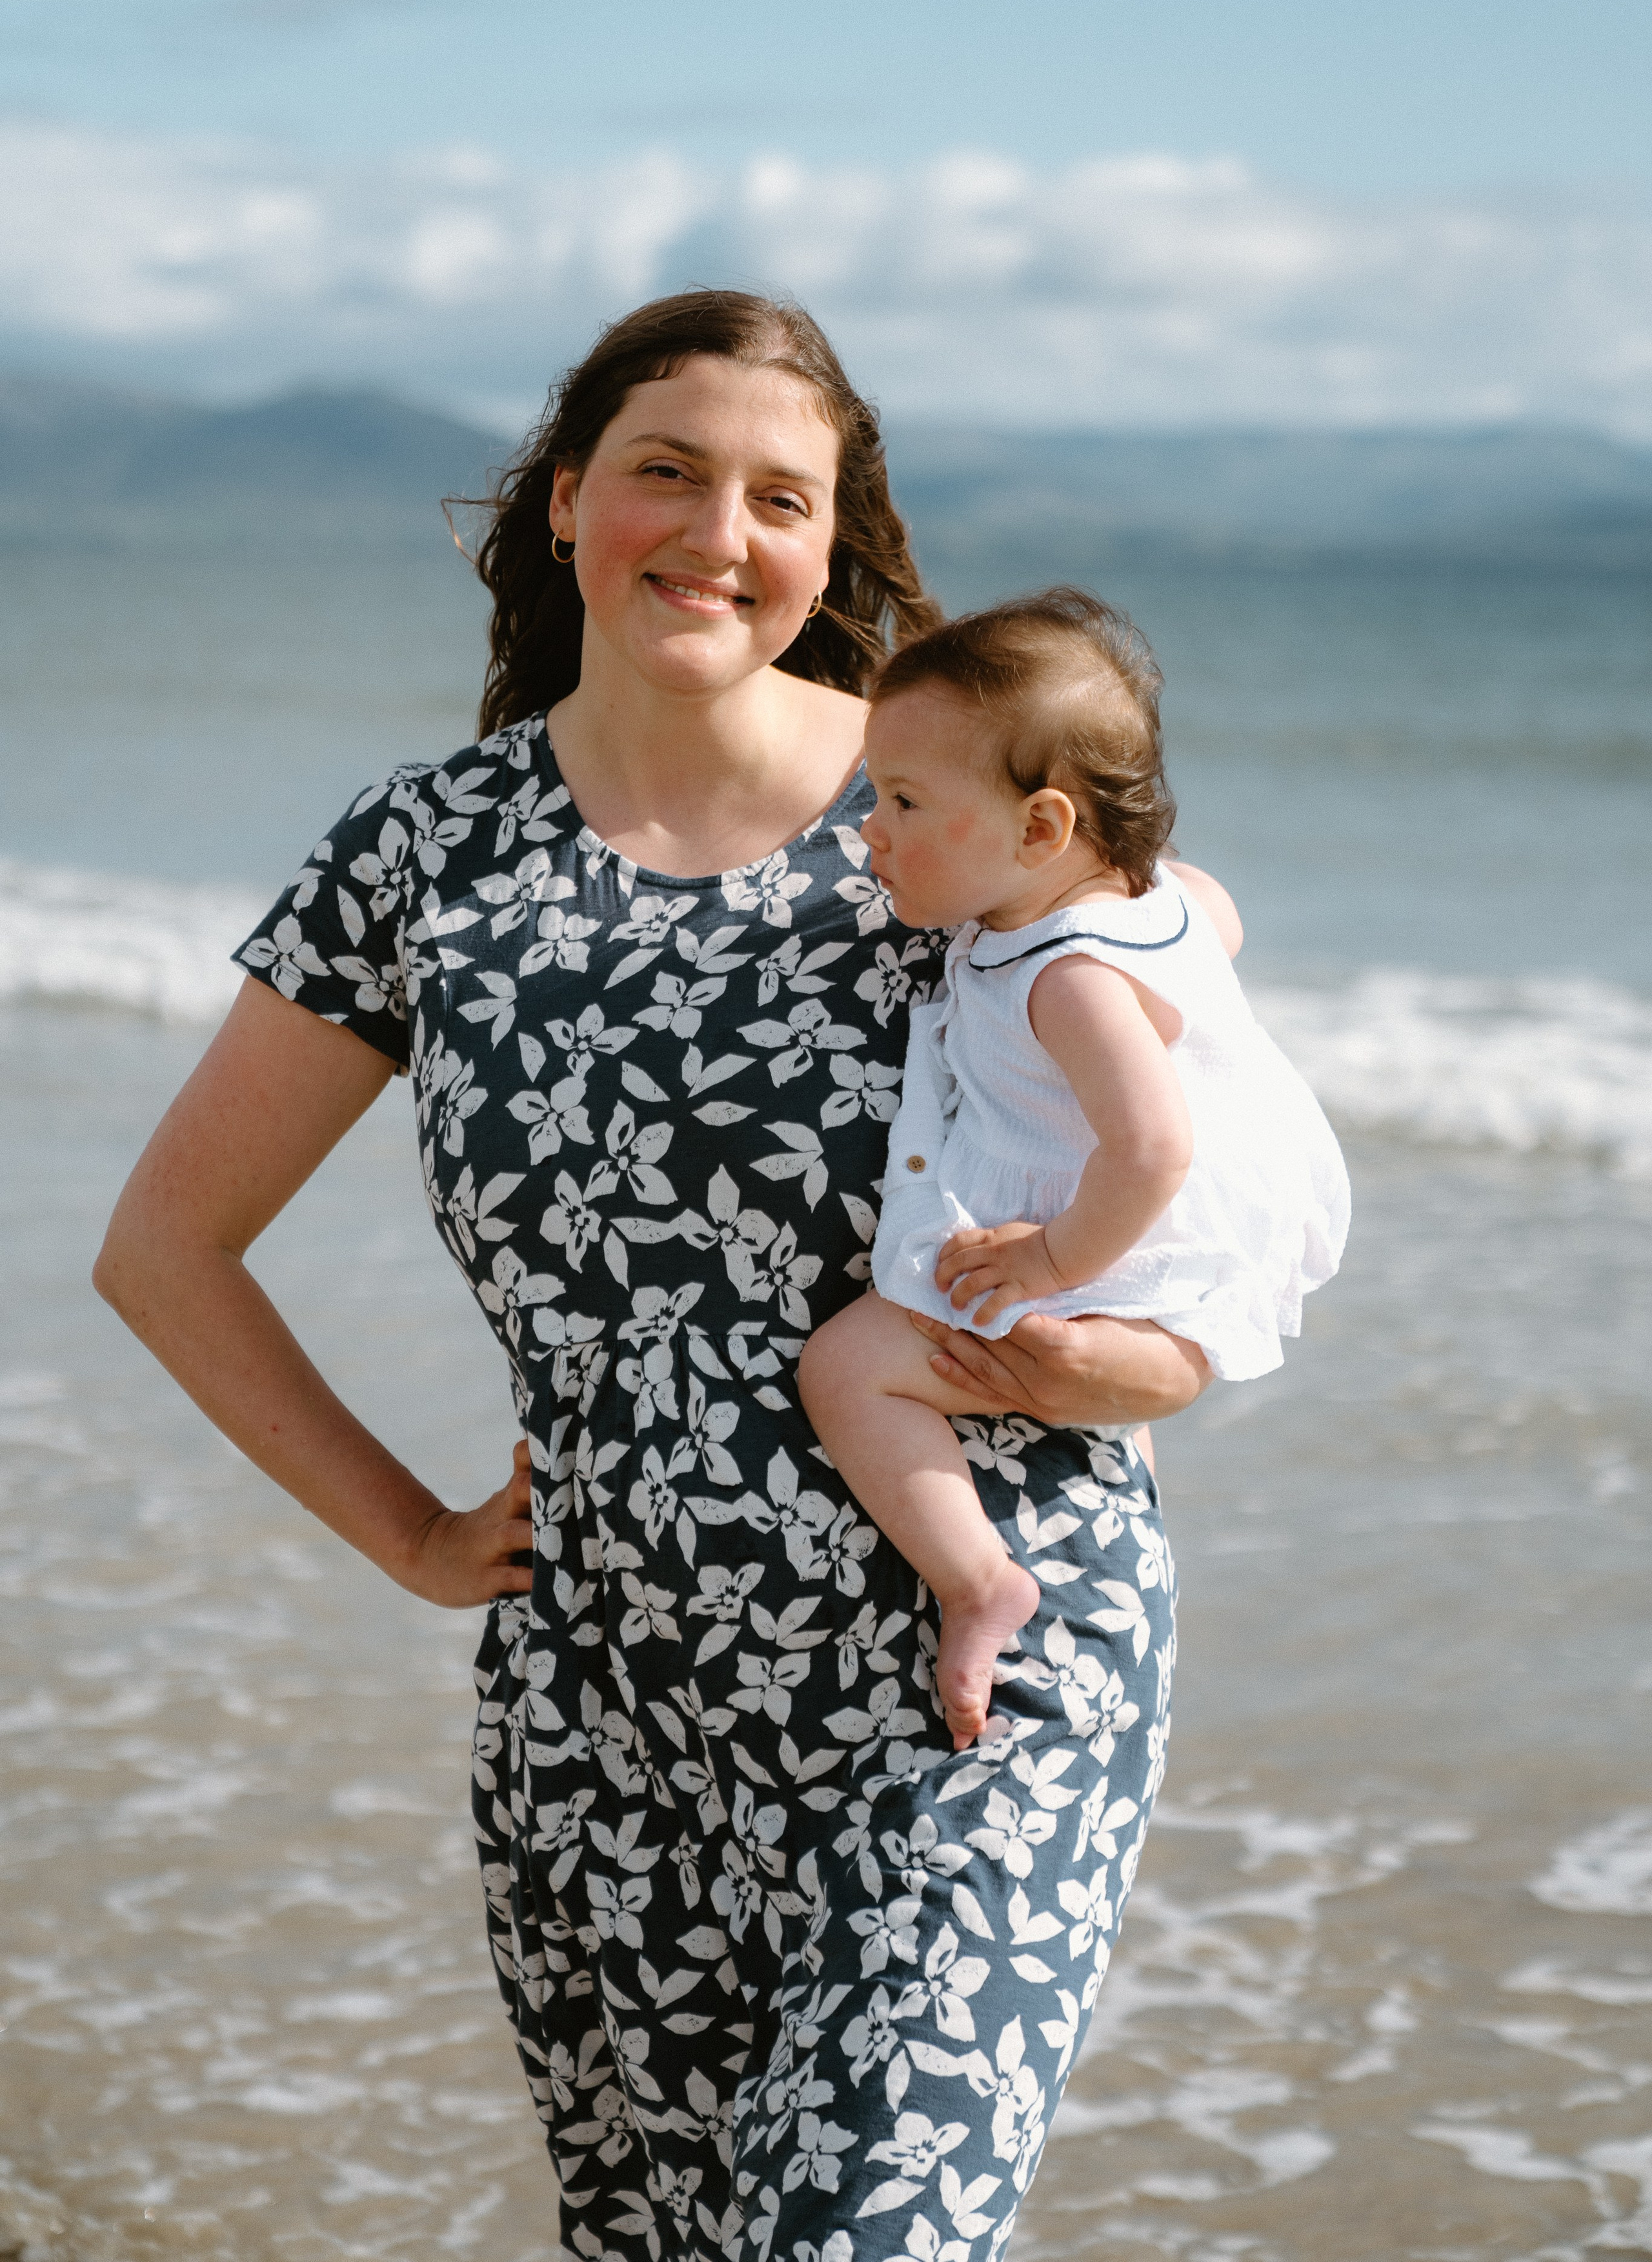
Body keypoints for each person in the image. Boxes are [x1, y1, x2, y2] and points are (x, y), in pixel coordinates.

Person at [94, 292, 1211, 2262]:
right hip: (610, 1721)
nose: (719, 533)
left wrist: (1135, 1364)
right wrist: (412, 1538)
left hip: (960, 1675)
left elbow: (1218, 1183)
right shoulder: (427, 854)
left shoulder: (950, 813)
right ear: (560, 505)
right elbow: (165, 1250)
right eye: (667, 473)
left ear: (833, 542)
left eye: (782, 497)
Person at [799, 594, 1351, 1748]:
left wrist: (1049, 1260)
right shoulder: (1159, 902)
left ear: (1044, 830)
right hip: (1173, 1258)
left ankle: (975, 1580)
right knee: (1108, 1377)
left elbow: (1151, 1145)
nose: (871, 830)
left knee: (848, 1366)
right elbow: (1218, 917)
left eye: (904, 802)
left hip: (1098, 1248)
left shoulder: (1065, 976)